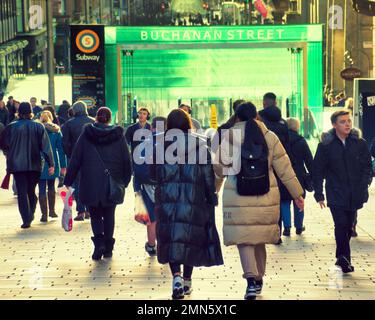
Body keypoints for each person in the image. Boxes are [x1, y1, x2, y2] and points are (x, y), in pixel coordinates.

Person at [214, 102, 304, 300]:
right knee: (259, 238)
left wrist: (214, 190)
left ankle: (251, 280)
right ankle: (259, 277)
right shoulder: (270, 137)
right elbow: (285, 169)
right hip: (265, 194)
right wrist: (297, 194)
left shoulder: (230, 137)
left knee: (244, 239)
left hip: (238, 196)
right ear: (256, 116)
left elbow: (219, 169)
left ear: (236, 117)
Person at [154, 109, 223, 300]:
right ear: (188, 124)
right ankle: (187, 281)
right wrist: (212, 196)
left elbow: (153, 174)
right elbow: (208, 175)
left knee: (171, 238)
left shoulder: (159, 143)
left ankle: (175, 276)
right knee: (190, 237)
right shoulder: (200, 143)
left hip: (167, 198)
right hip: (194, 199)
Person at [64, 107, 132, 260]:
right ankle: (108, 247)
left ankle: (99, 243)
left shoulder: (86, 135)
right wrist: (125, 181)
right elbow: (126, 160)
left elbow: (75, 159)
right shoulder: (118, 136)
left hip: (90, 181)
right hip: (112, 181)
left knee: (94, 214)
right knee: (109, 214)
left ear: (96, 118)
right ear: (109, 119)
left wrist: (68, 181)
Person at [313, 110, 372, 273]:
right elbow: (317, 170)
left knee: (349, 226)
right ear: (334, 125)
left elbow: (368, 165)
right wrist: (319, 193)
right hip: (335, 191)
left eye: (348, 121)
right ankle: (344, 257)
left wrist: (365, 183)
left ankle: (342, 257)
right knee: (340, 224)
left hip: (355, 192)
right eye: (342, 122)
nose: (347, 124)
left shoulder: (359, 143)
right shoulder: (326, 145)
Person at [0, 102, 54, 228]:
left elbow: (3, 144)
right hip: (35, 165)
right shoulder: (39, 127)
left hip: (17, 165)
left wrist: (9, 153)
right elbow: (46, 147)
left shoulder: (11, 127)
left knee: (22, 192)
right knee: (30, 190)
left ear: (19, 113)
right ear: (31, 112)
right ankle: (31, 211)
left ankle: (26, 218)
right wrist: (51, 163)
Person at [258, 92, 291, 244]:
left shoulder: (258, 121)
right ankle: (277, 233)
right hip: (279, 167)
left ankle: (264, 232)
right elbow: (287, 147)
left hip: (261, 167)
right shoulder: (283, 123)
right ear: (276, 103)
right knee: (277, 200)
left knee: (262, 201)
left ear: (264, 103)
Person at [133, 116, 167, 257]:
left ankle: (152, 246)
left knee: (152, 218)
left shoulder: (144, 142)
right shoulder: (171, 142)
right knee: (165, 217)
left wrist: (136, 189)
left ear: (151, 127)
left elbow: (137, 165)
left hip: (147, 184)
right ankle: (165, 246)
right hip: (166, 184)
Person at [61, 101, 95, 221]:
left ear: (74, 110)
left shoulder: (68, 124)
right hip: (91, 159)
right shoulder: (93, 121)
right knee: (91, 183)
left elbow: (64, 143)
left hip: (75, 158)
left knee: (77, 184)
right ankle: (90, 210)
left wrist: (70, 155)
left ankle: (80, 211)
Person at [281, 118, 314, 235]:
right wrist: (313, 176)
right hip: (299, 175)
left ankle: (287, 227)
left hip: (283, 174)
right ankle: (299, 226)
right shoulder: (301, 141)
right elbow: (309, 160)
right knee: (299, 199)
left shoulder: (281, 140)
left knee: (284, 201)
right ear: (297, 127)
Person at [38, 111, 67, 222]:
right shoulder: (56, 130)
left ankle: (44, 215)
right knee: (51, 186)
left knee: (41, 187)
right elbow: (61, 150)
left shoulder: (38, 130)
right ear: (51, 118)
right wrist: (63, 165)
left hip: (40, 162)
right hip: (53, 162)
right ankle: (52, 211)